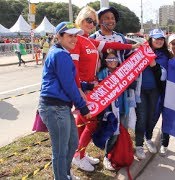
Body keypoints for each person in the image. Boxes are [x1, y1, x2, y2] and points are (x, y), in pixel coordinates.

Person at [70, 6, 137, 172]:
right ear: (80, 20)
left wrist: (132, 47)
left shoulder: (88, 40)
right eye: (88, 20)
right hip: (84, 89)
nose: (91, 24)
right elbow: (73, 69)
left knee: (81, 123)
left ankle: (79, 154)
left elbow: (112, 44)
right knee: (91, 123)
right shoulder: (76, 40)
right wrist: (81, 89)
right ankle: (78, 156)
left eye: (93, 21)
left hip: (92, 86)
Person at [38, 21, 91, 180]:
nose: (74, 39)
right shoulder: (60, 54)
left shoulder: (60, 52)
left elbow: (67, 80)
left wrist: (87, 84)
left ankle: (66, 174)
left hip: (60, 106)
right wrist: (83, 108)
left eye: (75, 36)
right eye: (70, 36)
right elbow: (69, 85)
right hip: (54, 107)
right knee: (61, 150)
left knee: (72, 143)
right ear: (59, 36)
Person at [135, 29, 170, 160]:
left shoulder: (165, 55)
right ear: (151, 39)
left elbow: (163, 75)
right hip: (141, 90)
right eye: (156, 38)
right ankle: (138, 145)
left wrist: (154, 64)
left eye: (161, 39)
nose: (159, 41)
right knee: (142, 117)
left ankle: (148, 138)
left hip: (155, 91)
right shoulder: (140, 52)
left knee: (152, 116)